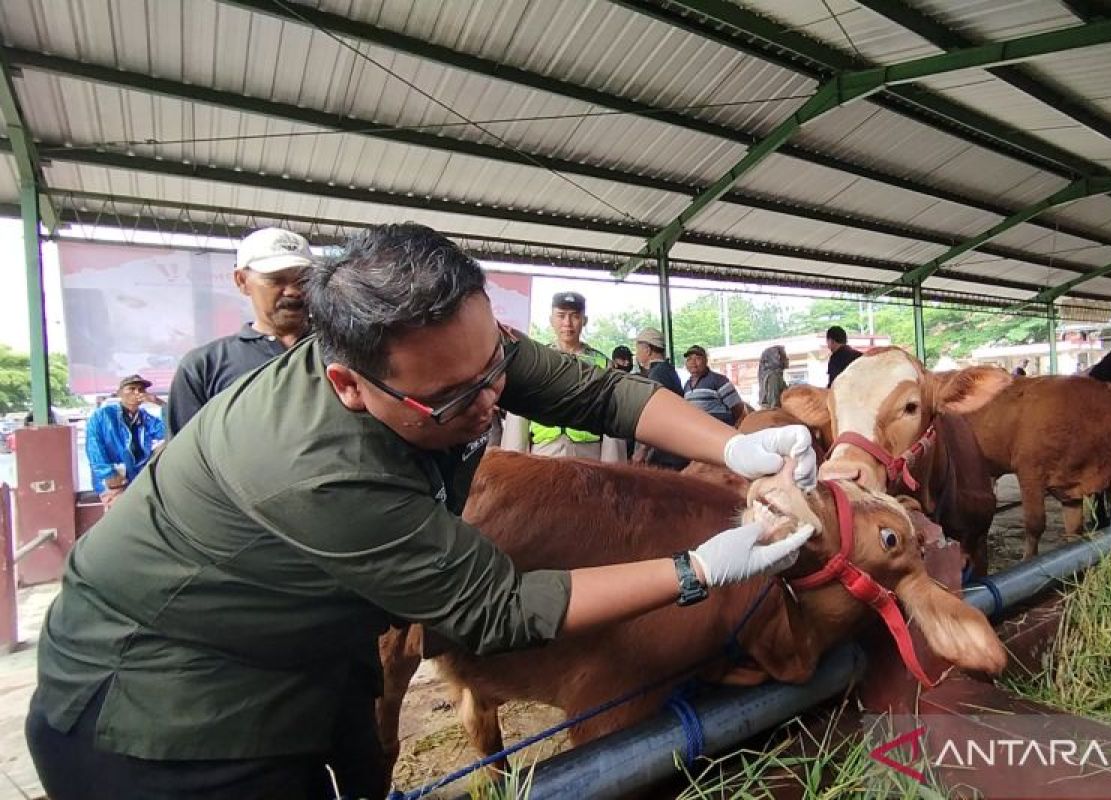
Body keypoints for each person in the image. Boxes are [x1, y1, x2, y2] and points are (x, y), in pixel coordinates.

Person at [26, 224, 817, 800]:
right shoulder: (323, 476)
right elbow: (501, 606)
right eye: (448, 400)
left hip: (306, 651)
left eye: (493, 371)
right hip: (159, 709)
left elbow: (597, 391)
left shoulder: (442, 345)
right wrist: (699, 569)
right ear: (348, 384)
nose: (487, 406)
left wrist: (738, 447)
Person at [166, 227, 316, 435]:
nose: (293, 291)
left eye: (304, 280)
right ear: (242, 281)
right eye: (276, 279)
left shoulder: (345, 351)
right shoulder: (204, 367)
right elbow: (182, 461)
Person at [522, 292, 614, 460]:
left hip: (589, 453)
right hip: (544, 451)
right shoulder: (536, 360)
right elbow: (520, 413)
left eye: (574, 316)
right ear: (551, 320)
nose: (567, 323)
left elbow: (613, 417)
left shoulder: (601, 364)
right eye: (561, 316)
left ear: (584, 321)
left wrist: (613, 468)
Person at [83, 374, 165, 509]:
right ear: (120, 393)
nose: (137, 393)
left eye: (141, 390)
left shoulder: (145, 418)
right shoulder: (103, 415)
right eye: (131, 389)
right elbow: (94, 446)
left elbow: (170, 430)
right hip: (116, 477)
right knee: (121, 519)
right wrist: (108, 474)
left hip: (138, 476)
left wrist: (159, 403)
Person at [631, 327, 689, 470]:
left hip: (666, 454)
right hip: (676, 447)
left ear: (647, 349)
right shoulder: (668, 370)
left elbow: (658, 416)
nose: (636, 354)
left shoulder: (657, 374)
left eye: (638, 349)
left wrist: (642, 450)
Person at [683, 344, 746, 426]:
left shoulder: (719, 380)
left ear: (706, 360)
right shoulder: (687, 385)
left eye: (698, 358)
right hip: (699, 433)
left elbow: (738, 408)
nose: (693, 362)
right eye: (689, 359)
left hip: (721, 432)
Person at [758, 344, 789, 409]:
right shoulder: (774, 376)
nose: (787, 359)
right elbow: (774, 401)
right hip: (772, 411)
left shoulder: (771, 374)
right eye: (783, 356)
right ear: (775, 358)